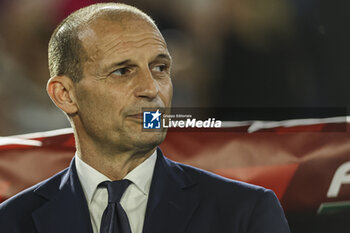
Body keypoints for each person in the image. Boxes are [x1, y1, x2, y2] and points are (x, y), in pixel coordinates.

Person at [0, 3, 290, 233]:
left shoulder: (245, 212)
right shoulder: (12, 222)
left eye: (160, 68)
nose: (152, 89)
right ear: (65, 94)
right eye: (123, 71)